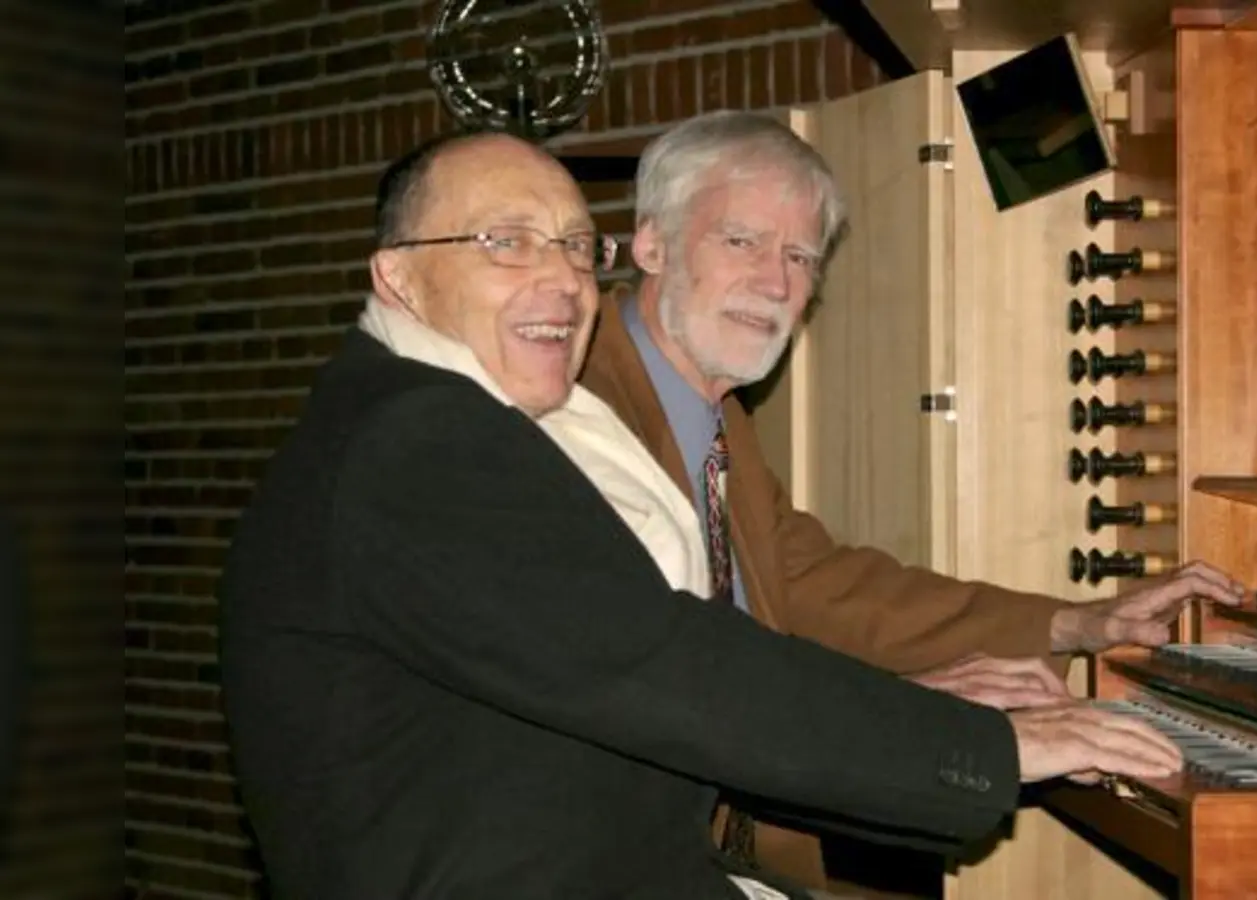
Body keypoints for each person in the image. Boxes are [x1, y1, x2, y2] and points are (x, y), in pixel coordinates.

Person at [216, 129, 1188, 900]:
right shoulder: (430, 437)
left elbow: (798, 583)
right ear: (398, 277)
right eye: (505, 244)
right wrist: (980, 747)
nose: (558, 279)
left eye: (567, 248)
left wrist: (1067, 629)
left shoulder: (510, 415)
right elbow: (655, 659)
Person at [578, 109, 1246, 888]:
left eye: (800, 255)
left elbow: (812, 579)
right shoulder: (582, 408)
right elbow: (676, 675)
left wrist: (1078, 621)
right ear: (651, 243)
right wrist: (911, 707)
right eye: (742, 241)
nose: (776, 280)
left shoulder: (713, 411)